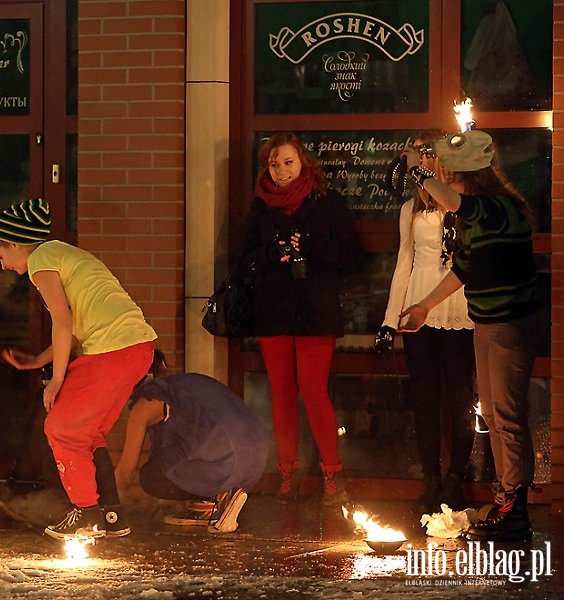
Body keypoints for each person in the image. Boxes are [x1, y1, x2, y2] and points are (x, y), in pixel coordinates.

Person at [398, 130, 541, 542]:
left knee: (508, 416)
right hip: (488, 322)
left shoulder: (498, 208)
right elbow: (464, 268)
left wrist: (419, 172)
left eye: (453, 176)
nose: (449, 183)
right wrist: (424, 306)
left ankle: (515, 508)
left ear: (470, 177)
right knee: (494, 415)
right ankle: (507, 501)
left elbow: (456, 202)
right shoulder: (476, 214)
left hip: (512, 324)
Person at [0, 198, 157, 539]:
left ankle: (85, 513)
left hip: (113, 349)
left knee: (62, 428)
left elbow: (63, 323)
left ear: (17, 244)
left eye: (1, 256)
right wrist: (38, 362)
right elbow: (79, 326)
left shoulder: (41, 261)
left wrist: (57, 380)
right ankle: (111, 515)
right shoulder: (64, 254)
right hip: (136, 348)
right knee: (87, 433)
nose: (3, 266)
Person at [239, 132, 360, 506]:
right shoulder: (261, 207)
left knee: (313, 391)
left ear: (303, 163)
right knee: (281, 395)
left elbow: (351, 254)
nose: (281, 171)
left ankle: (331, 473)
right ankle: (286, 473)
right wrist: (270, 254)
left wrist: (310, 247)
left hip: (315, 311)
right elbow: (243, 259)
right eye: (274, 164)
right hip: (273, 312)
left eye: (288, 162)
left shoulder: (326, 202)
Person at [374, 129, 476, 514]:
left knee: (459, 395)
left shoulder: (462, 199)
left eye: (422, 153)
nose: (415, 159)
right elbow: (404, 264)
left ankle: (457, 479)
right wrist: (389, 320)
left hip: (458, 304)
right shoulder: (410, 208)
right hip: (418, 306)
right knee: (425, 399)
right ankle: (431, 477)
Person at [115, 353, 268, 533]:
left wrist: (108, 507)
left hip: (227, 465)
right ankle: (213, 500)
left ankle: (215, 500)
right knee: (173, 453)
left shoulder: (147, 401)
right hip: (256, 460)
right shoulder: (186, 383)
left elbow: (126, 471)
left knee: (152, 476)